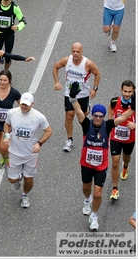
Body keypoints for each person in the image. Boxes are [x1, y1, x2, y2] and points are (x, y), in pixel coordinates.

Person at [68, 81, 135, 230]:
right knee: (86, 187)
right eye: (96, 116)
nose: (98, 118)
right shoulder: (86, 124)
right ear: (93, 116)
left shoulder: (108, 125)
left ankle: (94, 216)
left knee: (98, 194)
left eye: (101, 116)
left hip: (101, 166)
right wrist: (72, 98)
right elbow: (78, 111)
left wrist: (133, 107)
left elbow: (123, 117)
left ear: (104, 116)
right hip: (86, 164)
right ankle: (87, 200)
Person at [3, 92, 52, 208]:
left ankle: (25, 195)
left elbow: (49, 131)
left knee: (29, 178)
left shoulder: (39, 117)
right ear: (19, 102)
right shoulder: (12, 113)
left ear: (32, 104)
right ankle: (19, 176)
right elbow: (7, 125)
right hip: (15, 152)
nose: (24, 107)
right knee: (11, 180)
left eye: (27, 105)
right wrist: (6, 135)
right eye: (22, 104)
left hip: (30, 154)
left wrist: (39, 143)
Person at [52, 42, 101, 152]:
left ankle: (87, 108)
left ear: (82, 52)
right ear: (71, 51)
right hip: (69, 93)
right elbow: (55, 67)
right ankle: (69, 140)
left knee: (82, 117)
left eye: (78, 51)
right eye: (74, 51)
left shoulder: (87, 63)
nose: (75, 53)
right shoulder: (66, 60)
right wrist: (56, 82)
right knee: (69, 115)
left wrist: (94, 88)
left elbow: (97, 73)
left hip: (83, 94)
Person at [108, 80, 135, 200]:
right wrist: (110, 123)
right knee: (114, 163)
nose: (127, 94)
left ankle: (126, 167)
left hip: (129, 138)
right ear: (121, 90)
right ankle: (115, 189)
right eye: (125, 91)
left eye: (130, 92)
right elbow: (111, 110)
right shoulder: (114, 101)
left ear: (133, 91)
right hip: (116, 137)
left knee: (126, 157)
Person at [0, 0, 26, 69]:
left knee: (8, 56)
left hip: (9, 35)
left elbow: (23, 21)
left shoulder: (15, 7)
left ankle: (5, 73)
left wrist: (18, 27)